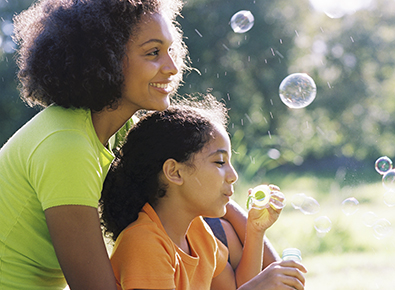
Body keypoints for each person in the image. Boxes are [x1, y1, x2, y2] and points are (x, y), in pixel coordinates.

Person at [0, 0, 279, 289]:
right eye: (153, 52)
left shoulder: (117, 133)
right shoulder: (67, 147)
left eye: (170, 51)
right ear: (103, 58)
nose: (172, 68)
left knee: (217, 226)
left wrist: (244, 216)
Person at [100, 95, 307, 290]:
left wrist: (255, 230)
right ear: (174, 172)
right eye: (219, 162)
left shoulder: (197, 233)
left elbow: (237, 285)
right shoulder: (143, 243)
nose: (233, 175)